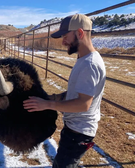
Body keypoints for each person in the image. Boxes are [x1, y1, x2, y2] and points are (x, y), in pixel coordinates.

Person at [23, 14, 106, 168]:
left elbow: (83, 104)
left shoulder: (90, 64)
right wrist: (51, 98)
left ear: (80, 33)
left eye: (65, 36)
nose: (63, 42)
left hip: (79, 132)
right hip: (74, 129)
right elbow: (75, 95)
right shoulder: (83, 59)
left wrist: (47, 105)